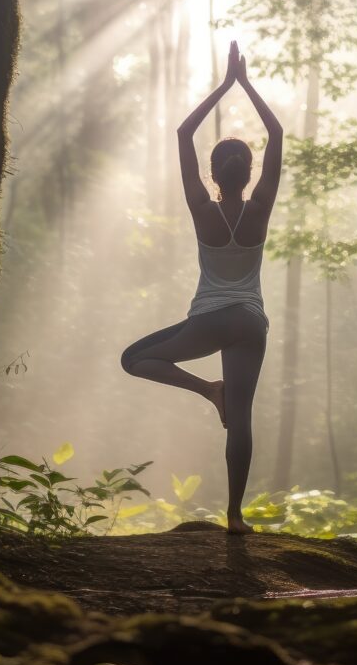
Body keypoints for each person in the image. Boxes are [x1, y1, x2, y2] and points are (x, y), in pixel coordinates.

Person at [121, 40, 283, 535]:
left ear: (212, 174)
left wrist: (223, 85)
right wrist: (247, 84)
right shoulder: (259, 210)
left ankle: (208, 391)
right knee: (244, 414)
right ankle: (235, 515)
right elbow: (275, 131)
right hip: (251, 323)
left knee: (134, 359)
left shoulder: (202, 209)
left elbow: (183, 131)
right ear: (250, 173)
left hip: (210, 321)